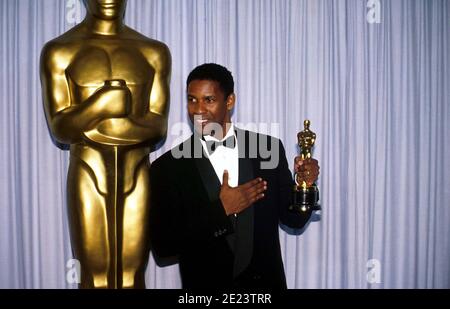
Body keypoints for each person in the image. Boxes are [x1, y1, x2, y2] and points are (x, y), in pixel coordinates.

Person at [149, 63, 319, 288]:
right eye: (192, 100)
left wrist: (305, 186)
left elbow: (294, 219)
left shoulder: (267, 149)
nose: (198, 110)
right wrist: (221, 210)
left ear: (230, 101)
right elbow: (163, 246)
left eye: (208, 99)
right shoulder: (168, 166)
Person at [40, 0, 171, 288]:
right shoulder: (60, 51)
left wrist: (103, 124)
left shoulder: (153, 52)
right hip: (89, 169)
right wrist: (101, 105)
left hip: (136, 170)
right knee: (94, 274)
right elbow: (60, 127)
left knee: (133, 273)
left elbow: (158, 126)